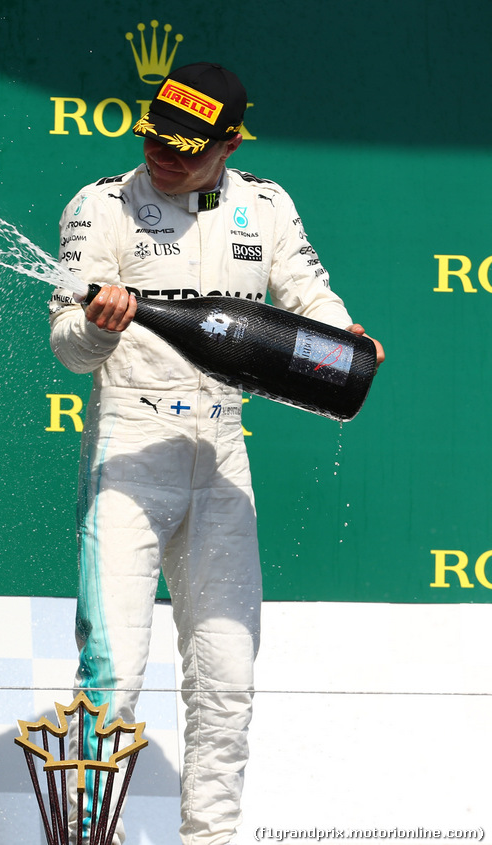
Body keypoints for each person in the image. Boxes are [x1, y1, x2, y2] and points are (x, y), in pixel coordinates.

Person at [48, 63, 384, 845]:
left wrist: (348, 338)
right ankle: (91, 838)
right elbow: (67, 346)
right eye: (154, 138)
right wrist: (100, 325)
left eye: (186, 147)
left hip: (222, 449)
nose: (164, 155)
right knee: (113, 675)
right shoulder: (101, 206)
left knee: (226, 679)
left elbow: (310, 298)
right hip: (128, 451)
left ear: (229, 142)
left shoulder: (265, 206)